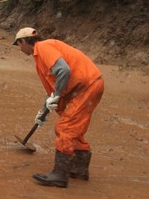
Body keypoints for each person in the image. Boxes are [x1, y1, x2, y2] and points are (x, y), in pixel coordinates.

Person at [12, 27, 104, 188]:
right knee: (74, 128)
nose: (20, 49)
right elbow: (54, 89)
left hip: (86, 87)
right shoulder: (40, 57)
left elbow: (63, 70)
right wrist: (43, 113)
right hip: (87, 86)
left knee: (65, 128)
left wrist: (56, 95)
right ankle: (79, 169)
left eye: (19, 44)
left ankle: (59, 175)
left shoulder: (43, 47)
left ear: (24, 41)